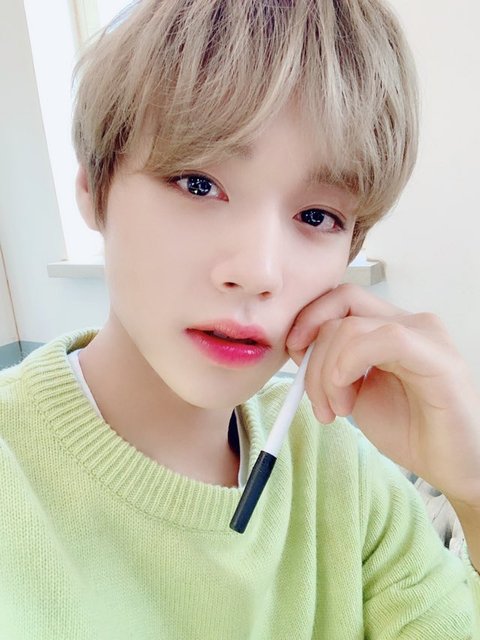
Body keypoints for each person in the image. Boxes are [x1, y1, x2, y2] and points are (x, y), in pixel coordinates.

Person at [1, 0, 479, 637]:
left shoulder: (341, 469)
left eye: (317, 216)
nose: (258, 271)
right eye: (198, 184)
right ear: (94, 189)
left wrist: (472, 490)